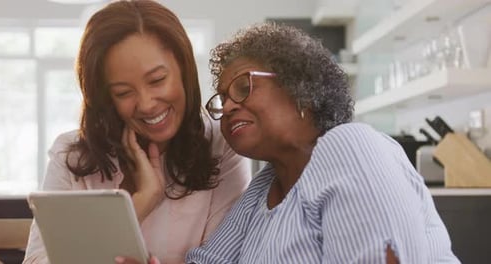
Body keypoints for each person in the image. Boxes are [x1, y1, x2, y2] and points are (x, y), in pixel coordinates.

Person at [182, 23, 461, 263]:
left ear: (301, 89)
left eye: (244, 88)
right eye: (222, 99)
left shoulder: (351, 146)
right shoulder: (261, 188)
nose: (228, 106)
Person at [22, 1, 251, 263]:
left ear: (184, 70)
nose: (146, 104)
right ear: (106, 98)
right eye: (123, 92)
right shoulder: (71, 155)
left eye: (157, 80)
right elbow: (36, 260)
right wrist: (138, 206)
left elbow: (223, 258)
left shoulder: (221, 145)